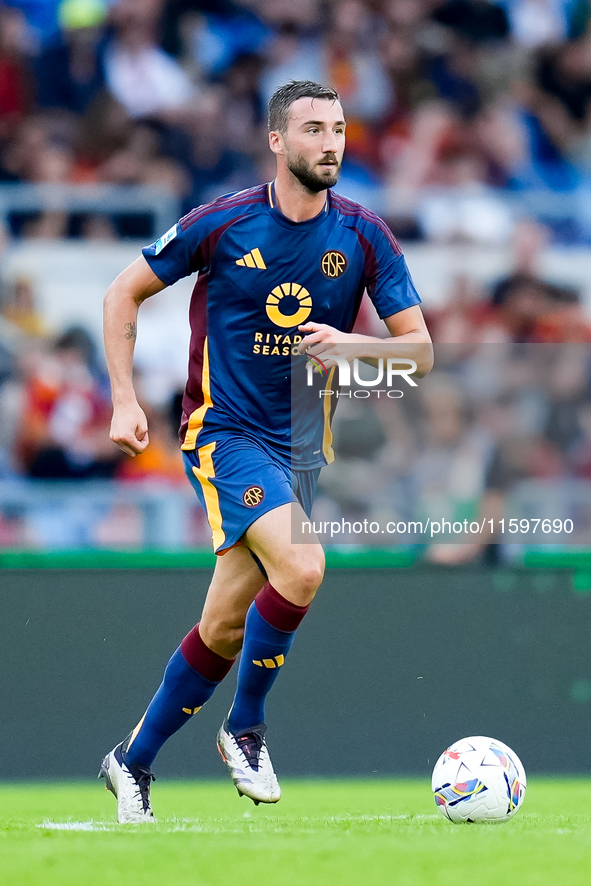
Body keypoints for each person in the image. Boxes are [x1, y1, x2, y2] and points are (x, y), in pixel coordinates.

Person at [99, 79, 433, 823]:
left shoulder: (364, 234)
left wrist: (351, 346)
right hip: (223, 434)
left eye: (340, 129)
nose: (331, 142)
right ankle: (245, 729)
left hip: (299, 452)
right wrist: (124, 398)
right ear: (277, 141)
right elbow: (123, 292)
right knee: (305, 565)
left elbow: (420, 353)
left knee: (223, 625)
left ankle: (132, 761)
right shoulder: (223, 224)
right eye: (313, 129)